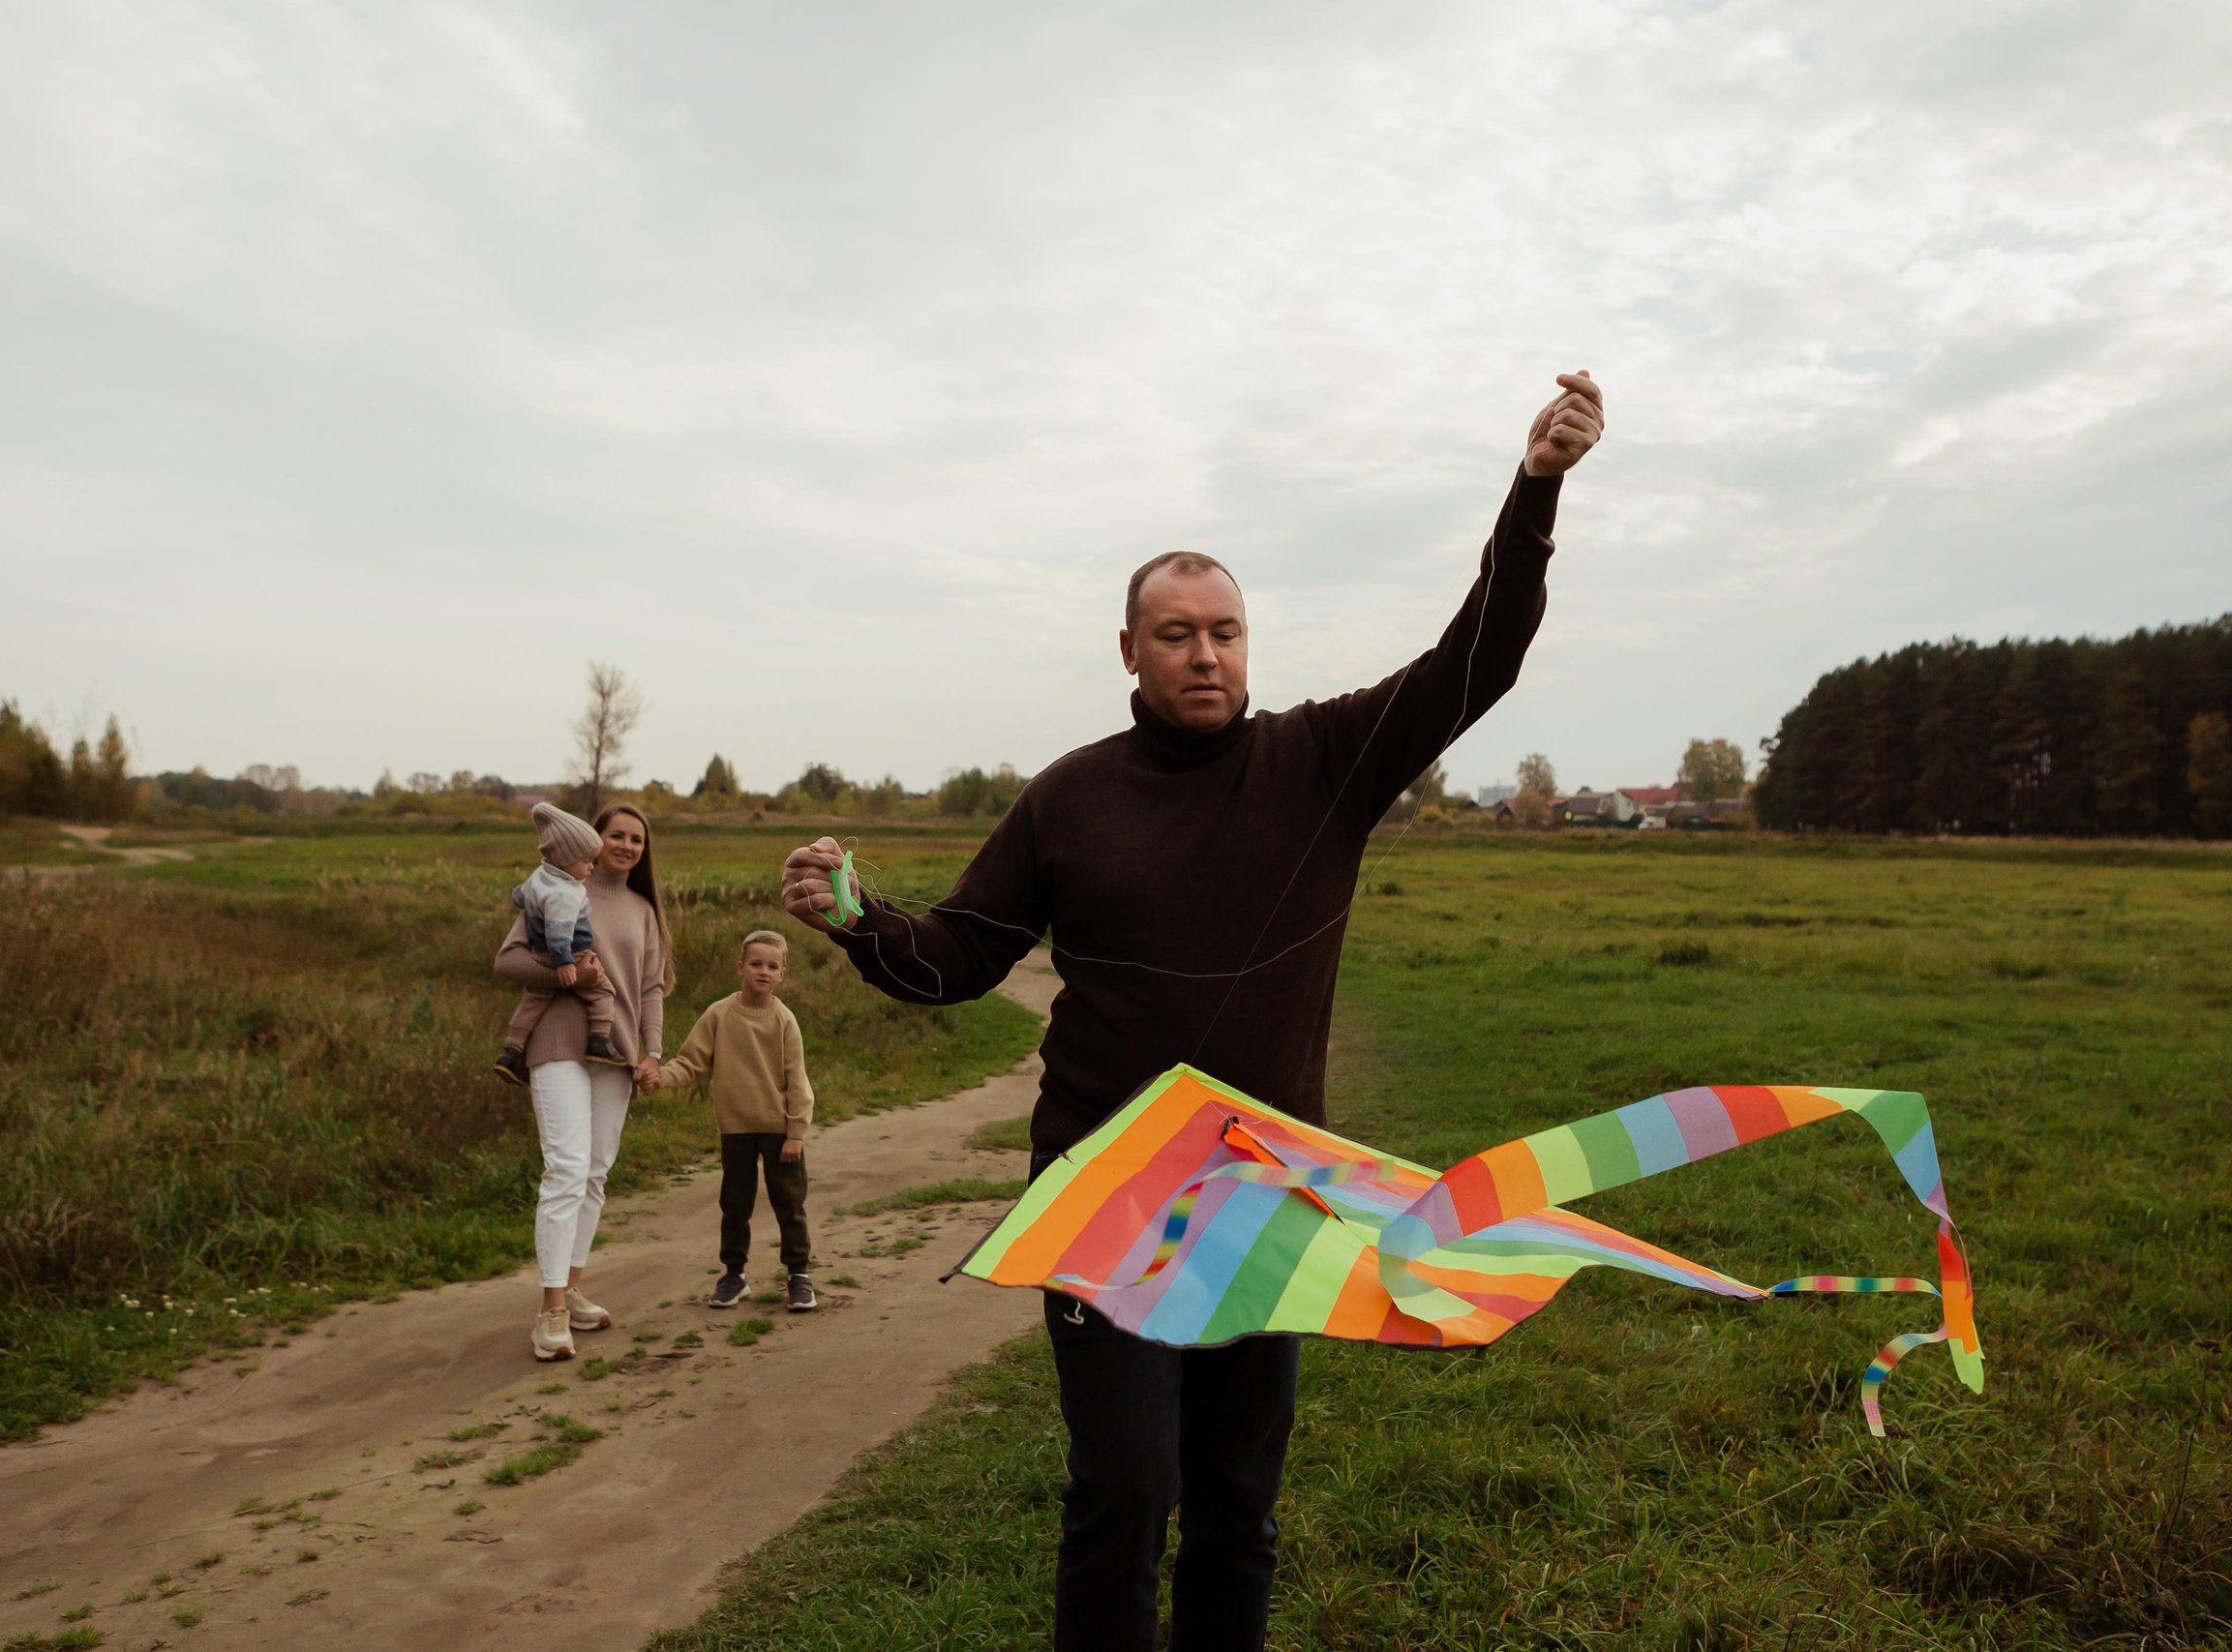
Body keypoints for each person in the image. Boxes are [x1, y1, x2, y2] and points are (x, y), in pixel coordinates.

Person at [781, 373, 1605, 1651]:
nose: (1206, 651)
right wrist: (856, 918)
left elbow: (1476, 657)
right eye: (1176, 631)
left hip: (1271, 1191)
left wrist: (1536, 487)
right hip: (1103, 1183)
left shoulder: (1325, 759)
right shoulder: (1068, 798)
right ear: (1130, 650)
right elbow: (957, 961)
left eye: (1224, 628)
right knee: (1126, 1482)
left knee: (1237, 1497)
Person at [496, 802, 674, 1359]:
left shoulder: (644, 910)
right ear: (594, 840)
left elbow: (650, 989)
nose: (625, 846)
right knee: (567, 1167)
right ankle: (549, 1314)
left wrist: (653, 1052)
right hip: (556, 1042)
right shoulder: (553, 886)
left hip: (614, 1051)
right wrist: (569, 974)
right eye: (616, 835)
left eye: (636, 840)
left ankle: (570, 1288)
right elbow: (507, 961)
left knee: (595, 1172)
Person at [655, 928, 820, 1313]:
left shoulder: (784, 1021)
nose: (763, 971)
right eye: (755, 964)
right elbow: (691, 1063)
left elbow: (798, 1080)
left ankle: (798, 1276)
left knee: (789, 1204)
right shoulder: (719, 1014)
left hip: (780, 1132)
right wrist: (657, 1077)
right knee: (735, 1202)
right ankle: (734, 1275)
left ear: (782, 974)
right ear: (740, 968)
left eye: (772, 966)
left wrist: (796, 1133)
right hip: (736, 1130)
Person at [493, 802, 623, 1086]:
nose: (591, 866)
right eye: (587, 861)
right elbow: (559, 930)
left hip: (539, 954)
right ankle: (599, 1041)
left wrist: (528, 901)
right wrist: (565, 962)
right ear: (566, 859)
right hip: (570, 953)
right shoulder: (565, 893)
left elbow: (520, 896)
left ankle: (512, 1051)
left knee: (534, 999)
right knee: (602, 991)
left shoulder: (539, 877)